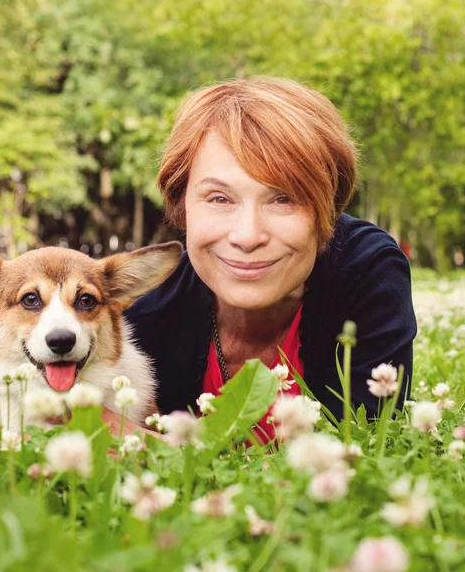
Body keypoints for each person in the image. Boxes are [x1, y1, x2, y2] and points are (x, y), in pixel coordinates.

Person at [114, 77, 417, 440]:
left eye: (283, 199)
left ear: (328, 209)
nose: (247, 236)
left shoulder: (367, 271)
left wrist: (130, 439)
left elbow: (367, 448)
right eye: (219, 199)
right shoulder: (146, 313)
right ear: (182, 205)